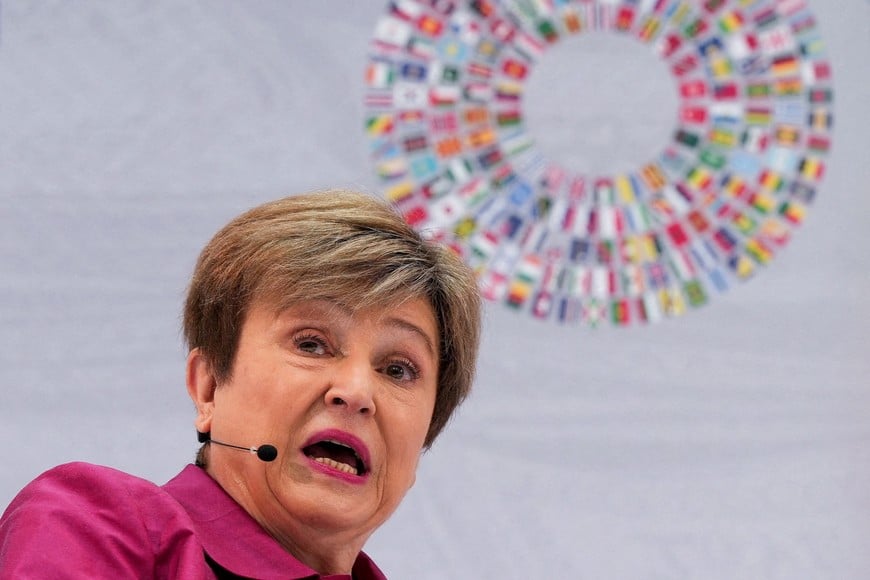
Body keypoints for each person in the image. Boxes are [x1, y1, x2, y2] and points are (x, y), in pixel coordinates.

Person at [0, 190, 482, 578]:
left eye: (398, 369)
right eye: (311, 344)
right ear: (208, 387)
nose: (356, 391)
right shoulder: (99, 527)